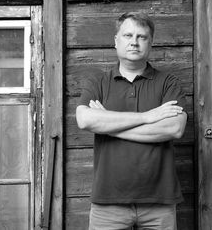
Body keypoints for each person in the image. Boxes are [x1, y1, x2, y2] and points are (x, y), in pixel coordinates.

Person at [76, 12, 187, 230]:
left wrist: (109, 126)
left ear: (151, 43)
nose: (134, 42)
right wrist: (147, 117)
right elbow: (85, 119)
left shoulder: (168, 82)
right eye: (127, 35)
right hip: (108, 202)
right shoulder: (98, 82)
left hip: (159, 202)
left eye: (141, 37)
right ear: (116, 40)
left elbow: (174, 128)